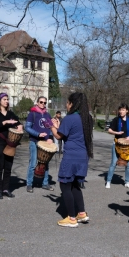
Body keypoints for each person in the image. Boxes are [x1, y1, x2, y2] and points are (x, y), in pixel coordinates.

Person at [49, 92, 94, 227]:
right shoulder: (87, 118)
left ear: (72, 104)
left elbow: (58, 136)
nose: (66, 105)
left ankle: (71, 218)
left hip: (71, 157)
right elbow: (72, 133)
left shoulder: (70, 118)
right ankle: (81, 213)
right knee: (75, 184)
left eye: (67, 103)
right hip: (83, 156)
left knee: (65, 185)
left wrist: (52, 125)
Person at [0, 93, 23, 199]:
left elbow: (18, 122)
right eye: (4, 99)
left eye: (7, 99)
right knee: (0, 166)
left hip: (10, 143)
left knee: (8, 167)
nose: (7, 101)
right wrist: (5, 122)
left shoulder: (10, 113)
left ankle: (5, 188)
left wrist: (20, 126)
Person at [105, 103, 129, 189]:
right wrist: (117, 133)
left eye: (123, 110)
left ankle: (127, 182)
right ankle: (108, 181)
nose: (121, 111)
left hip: (128, 146)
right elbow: (109, 130)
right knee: (113, 163)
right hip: (117, 145)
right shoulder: (116, 120)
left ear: (127, 111)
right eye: (120, 110)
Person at [25, 96, 54, 193]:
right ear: (37, 102)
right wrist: (38, 134)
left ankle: (45, 183)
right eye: (41, 102)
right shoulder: (32, 114)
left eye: (45, 103)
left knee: (45, 163)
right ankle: (29, 184)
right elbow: (27, 127)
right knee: (33, 164)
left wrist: (50, 138)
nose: (43, 104)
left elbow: (50, 128)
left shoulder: (47, 115)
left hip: (45, 143)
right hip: (34, 141)